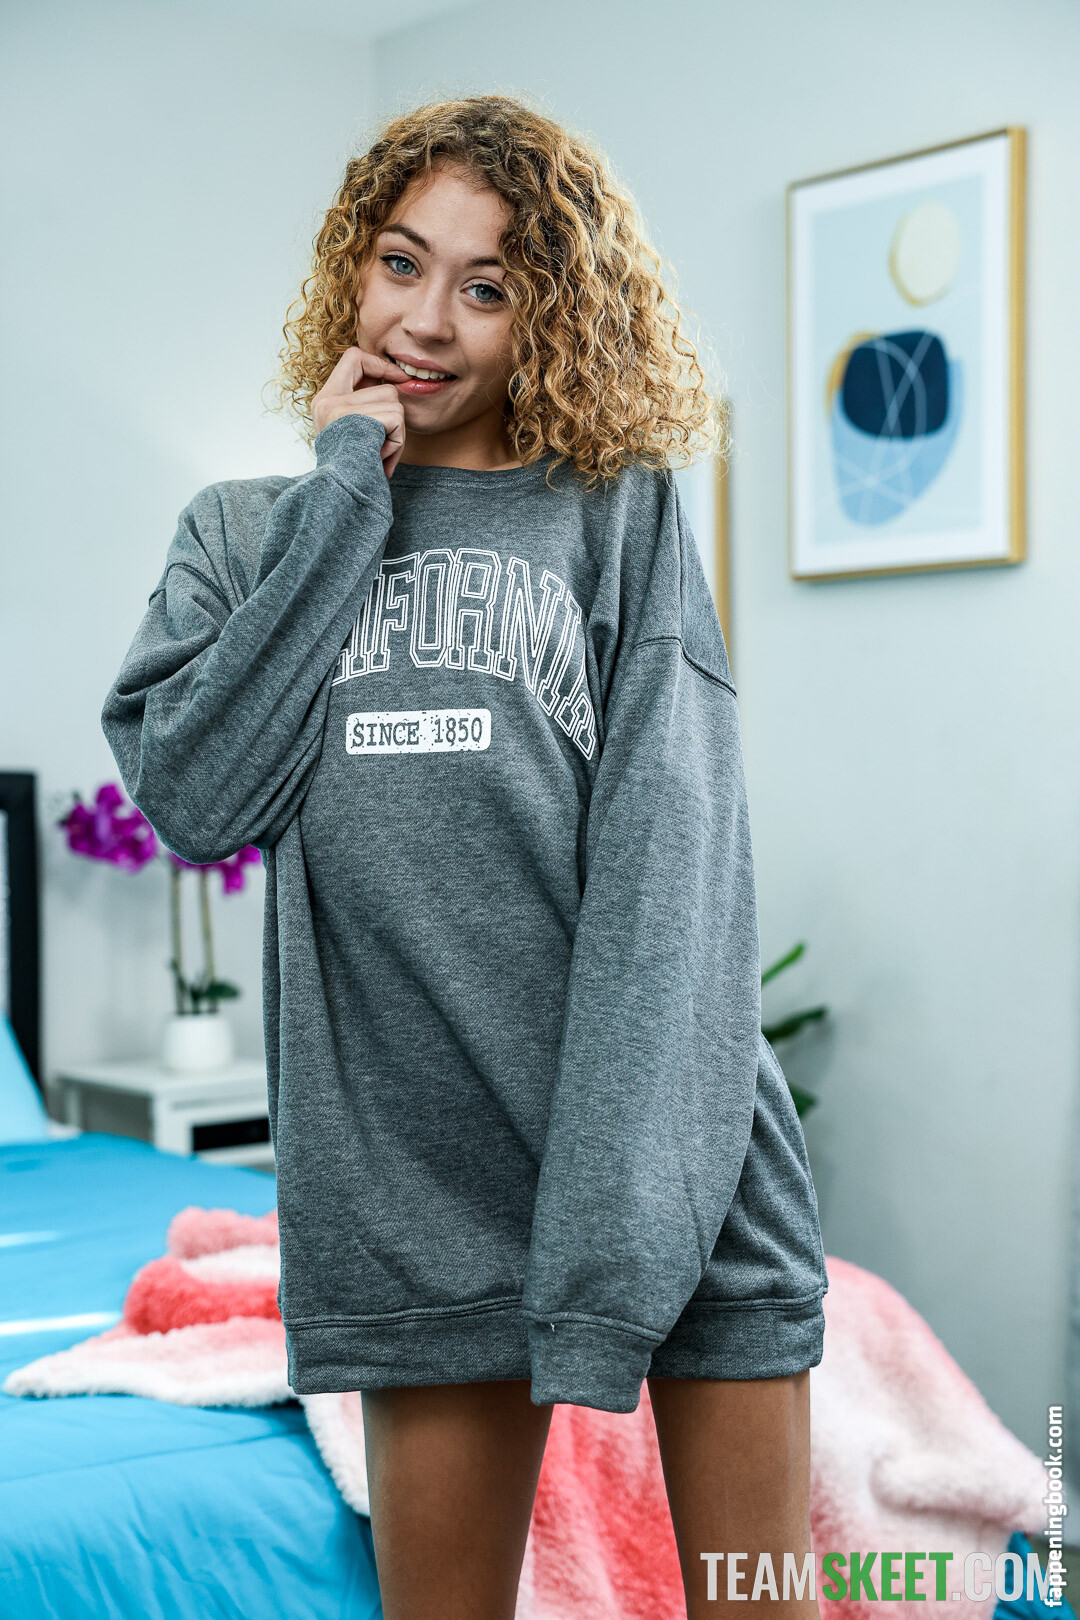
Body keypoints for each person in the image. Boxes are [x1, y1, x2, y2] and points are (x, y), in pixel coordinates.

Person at [101, 93, 828, 1620]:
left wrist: (612, 1249)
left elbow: (673, 860)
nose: (426, 320)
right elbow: (200, 798)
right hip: (418, 1208)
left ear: (548, 314)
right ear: (352, 271)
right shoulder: (241, 536)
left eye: (486, 286)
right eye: (400, 263)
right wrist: (342, 497)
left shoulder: (617, 515)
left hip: (674, 1170)